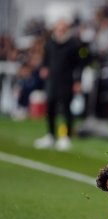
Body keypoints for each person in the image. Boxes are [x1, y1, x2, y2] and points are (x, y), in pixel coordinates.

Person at [34, 19, 82, 151]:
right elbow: (46, 59)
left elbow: (79, 65)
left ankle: (66, 137)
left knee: (66, 109)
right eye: (58, 28)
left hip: (66, 80)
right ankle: (50, 135)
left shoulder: (72, 44)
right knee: (50, 108)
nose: (60, 31)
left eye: (62, 28)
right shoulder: (50, 42)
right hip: (52, 81)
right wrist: (44, 68)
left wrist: (77, 81)